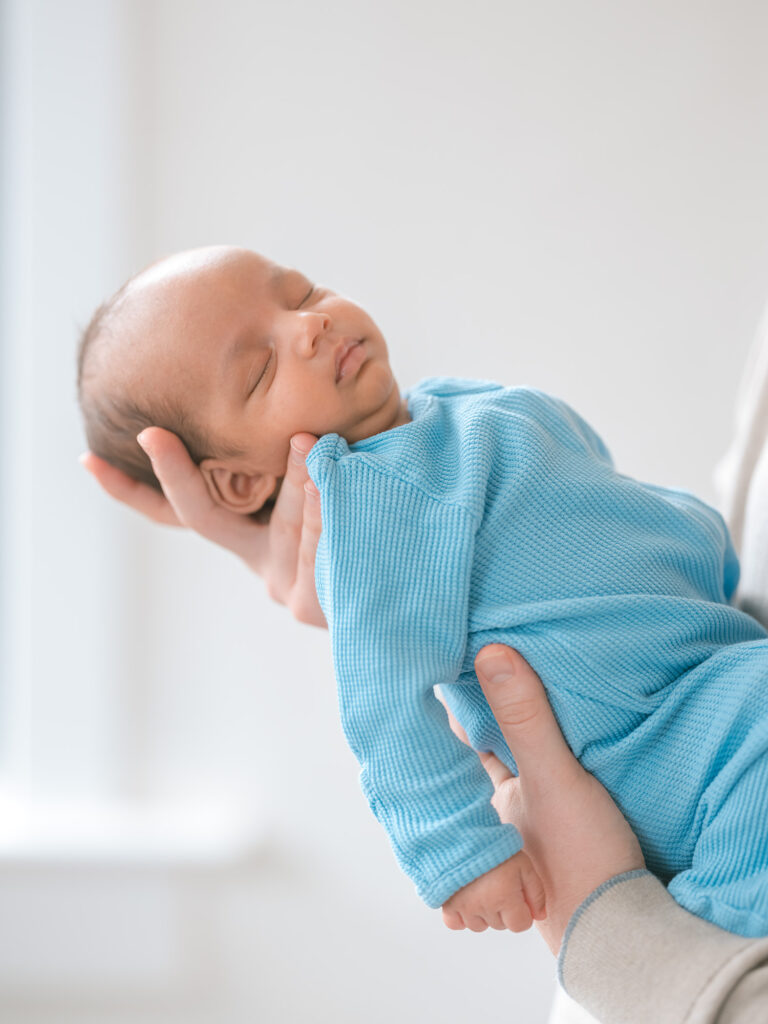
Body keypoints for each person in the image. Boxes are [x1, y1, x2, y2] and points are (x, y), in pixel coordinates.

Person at [77, 245, 768, 940]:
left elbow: (598, 489)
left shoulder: (453, 405)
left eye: (302, 291)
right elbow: (382, 707)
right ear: (237, 483)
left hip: (705, 668)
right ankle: (724, 926)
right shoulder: (372, 511)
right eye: (260, 368)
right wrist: (461, 854)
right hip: (655, 740)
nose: (309, 326)